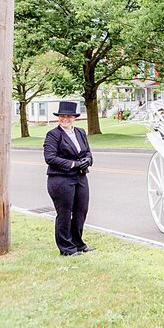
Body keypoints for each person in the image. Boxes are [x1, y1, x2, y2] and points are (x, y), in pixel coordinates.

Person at [43, 100, 95, 256]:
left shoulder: (80, 132)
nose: (65, 119)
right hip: (60, 179)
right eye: (62, 116)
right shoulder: (53, 135)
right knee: (65, 213)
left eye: (69, 116)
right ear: (58, 117)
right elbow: (50, 158)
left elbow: (87, 152)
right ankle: (66, 248)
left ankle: (78, 243)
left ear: (74, 118)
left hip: (80, 178)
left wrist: (88, 160)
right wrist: (73, 164)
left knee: (81, 211)